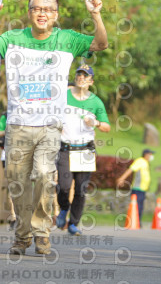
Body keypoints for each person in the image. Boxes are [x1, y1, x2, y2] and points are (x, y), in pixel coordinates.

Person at [0, 0, 108, 255]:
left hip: (50, 125)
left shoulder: (68, 39)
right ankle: (22, 234)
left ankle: (41, 231)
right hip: (17, 123)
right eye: (37, 8)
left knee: (46, 178)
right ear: (29, 12)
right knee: (17, 182)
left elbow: (101, 43)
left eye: (48, 9)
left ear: (56, 15)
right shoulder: (12, 38)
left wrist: (96, 15)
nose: (42, 13)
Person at [56, 64, 110, 236]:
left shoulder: (95, 102)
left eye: (85, 76)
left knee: (80, 189)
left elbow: (107, 127)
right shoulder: (63, 95)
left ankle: (73, 223)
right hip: (65, 147)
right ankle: (64, 208)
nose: (81, 77)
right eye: (79, 74)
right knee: (64, 186)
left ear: (91, 81)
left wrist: (96, 123)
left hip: (85, 149)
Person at [116, 148, 155, 225]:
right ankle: (135, 222)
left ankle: (137, 222)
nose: (151, 156)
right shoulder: (140, 161)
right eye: (150, 154)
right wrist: (121, 179)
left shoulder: (146, 163)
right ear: (146, 155)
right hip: (138, 188)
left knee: (140, 206)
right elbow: (131, 169)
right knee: (137, 206)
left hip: (143, 189)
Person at [0, 111, 16, 231]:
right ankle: (14, 216)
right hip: (8, 154)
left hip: (27, 154)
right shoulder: (6, 115)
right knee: (12, 185)